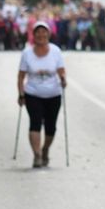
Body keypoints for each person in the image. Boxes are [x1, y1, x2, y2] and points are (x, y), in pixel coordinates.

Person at [17, 21, 66, 168]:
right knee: (35, 123)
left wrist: (63, 80)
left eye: (44, 32)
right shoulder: (27, 53)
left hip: (53, 94)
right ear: (33, 35)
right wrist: (21, 94)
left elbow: (61, 71)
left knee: (51, 127)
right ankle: (37, 154)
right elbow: (21, 76)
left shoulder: (56, 51)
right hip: (33, 93)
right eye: (38, 32)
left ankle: (45, 149)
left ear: (49, 34)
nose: (41, 35)